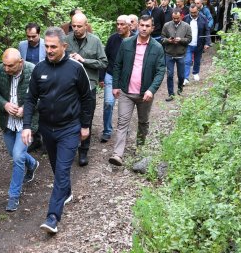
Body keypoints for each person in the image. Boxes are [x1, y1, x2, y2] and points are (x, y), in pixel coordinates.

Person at [22, 27, 94, 234]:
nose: (49, 50)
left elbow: (86, 98)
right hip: (47, 129)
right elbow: (30, 99)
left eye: (53, 46)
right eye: (47, 46)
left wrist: (85, 124)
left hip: (69, 128)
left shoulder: (76, 69)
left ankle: (53, 217)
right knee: (56, 167)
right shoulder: (39, 69)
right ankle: (67, 192)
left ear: (64, 46)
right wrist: (27, 126)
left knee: (62, 171)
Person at [109, 15, 165, 166]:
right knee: (122, 122)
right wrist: (115, 85)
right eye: (142, 25)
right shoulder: (127, 43)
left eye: (148, 26)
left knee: (143, 122)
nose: (144, 28)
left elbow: (161, 71)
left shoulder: (157, 47)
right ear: (137, 26)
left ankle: (140, 149)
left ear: (152, 28)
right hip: (126, 92)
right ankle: (117, 154)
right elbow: (117, 65)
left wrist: (151, 90)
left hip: (145, 94)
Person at [0, 48, 39, 212]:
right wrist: (4, 104)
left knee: (18, 157)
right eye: (4, 65)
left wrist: (26, 108)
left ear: (20, 62)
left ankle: (13, 196)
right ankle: (32, 164)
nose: (6, 69)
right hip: (8, 122)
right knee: (14, 154)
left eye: (10, 66)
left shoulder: (33, 71)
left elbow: (43, 96)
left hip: (26, 124)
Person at [64, 12, 107, 166]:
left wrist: (84, 60)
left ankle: (84, 151)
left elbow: (103, 63)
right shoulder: (66, 40)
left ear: (86, 25)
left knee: (86, 118)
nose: (76, 29)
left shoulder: (95, 41)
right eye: (73, 26)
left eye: (79, 26)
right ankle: (69, 148)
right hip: (70, 86)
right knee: (69, 117)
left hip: (89, 85)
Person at [100, 15, 132, 143]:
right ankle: (107, 130)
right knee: (108, 103)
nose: (119, 27)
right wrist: (101, 77)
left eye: (122, 24)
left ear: (129, 25)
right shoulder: (112, 39)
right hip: (111, 75)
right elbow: (104, 58)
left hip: (128, 78)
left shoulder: (135, 39)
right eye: (117, 24)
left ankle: (123, 128)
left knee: (127, 105)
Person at [17, 23, 46, 153]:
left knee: (44, 109)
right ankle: (35, 139)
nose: (30, 39)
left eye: (33, 36)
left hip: (43, 80)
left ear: (39, 34)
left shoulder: (46, 45)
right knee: (31, 108)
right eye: (28, 36)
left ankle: (45, 140)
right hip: (28, 81)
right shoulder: (22, 45)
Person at [161, 9, 192, 101]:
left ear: (181, 16)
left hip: (181, 54)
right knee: (170, 75)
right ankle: (171, 94)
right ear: (172, 17)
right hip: (169, 54)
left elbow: (189, 39)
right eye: (174, 18)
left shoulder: (186, 26)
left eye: (177, 18)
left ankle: (180, 89)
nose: (175, 20)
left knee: (181, 75)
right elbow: (162, 38)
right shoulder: (166, 25)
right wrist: (168, 40)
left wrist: (181, 40)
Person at [183, 4, 211, 84]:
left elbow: (207, 30)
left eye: (195, 12)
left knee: (197, 60)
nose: (193, 14)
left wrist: (207, 43)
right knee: (187, 61)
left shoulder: (203, 18)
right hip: (188, 43)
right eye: (192, 12)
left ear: (198, 11)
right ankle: (186, 78)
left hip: (199, 43)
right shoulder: (185, 18)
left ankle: (195, 72)